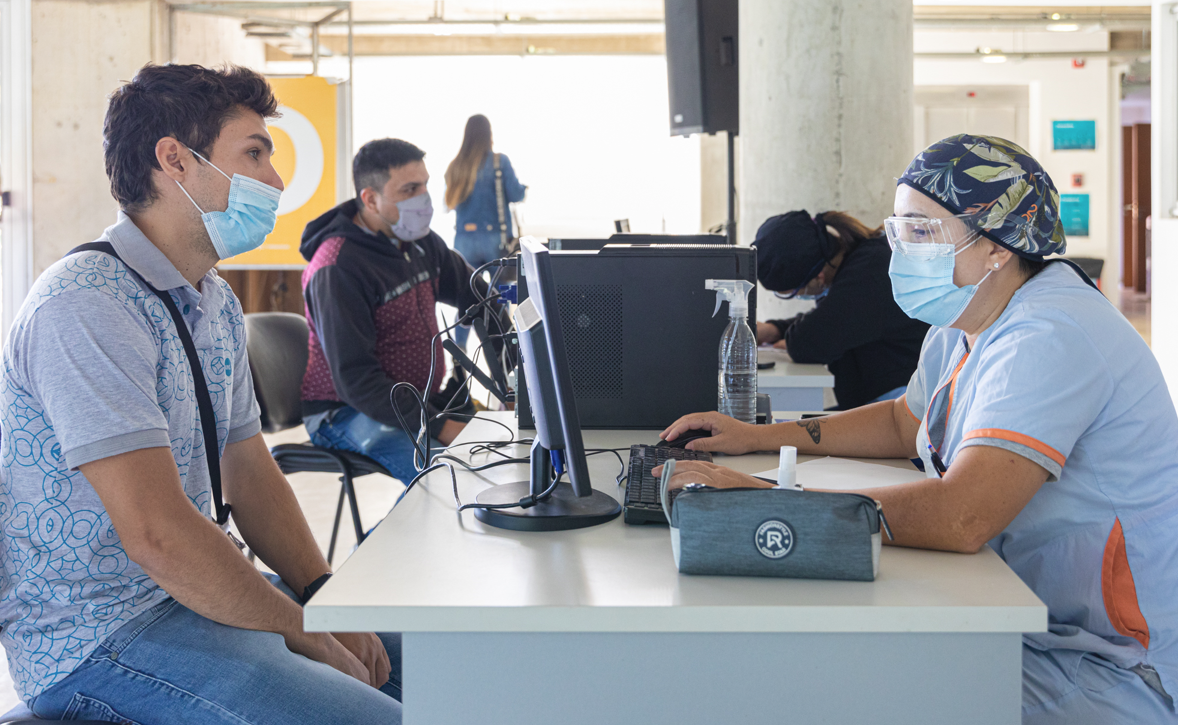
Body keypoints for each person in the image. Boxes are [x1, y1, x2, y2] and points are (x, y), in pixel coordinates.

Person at [660, 134, 1178, 724]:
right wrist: (760, 436)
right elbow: (906, 420)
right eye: (899, 228)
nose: (901, 250)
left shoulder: (1049, 333)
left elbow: (962, 516)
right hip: (1025, 613)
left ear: (997, 247)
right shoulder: (966, 314)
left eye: (923, 232)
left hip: (1115, 666)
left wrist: (772, 503)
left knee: (853, 684)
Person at [0, 64, 401, 722]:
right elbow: (157, 533)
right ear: (174, 161)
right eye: (254, 153)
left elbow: (248, 468)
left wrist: (324, 595)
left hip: (186, 596)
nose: (274, 180)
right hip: (98, 634)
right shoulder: (85, 304)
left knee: (428, 666)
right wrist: (302, 629)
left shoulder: (210, 299)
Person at [301, 138, 493, 481]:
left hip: (415, 405)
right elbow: (357, 381)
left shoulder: (418, 242)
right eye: (409, 189)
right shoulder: (338, 268)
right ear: (371, 199)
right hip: (346, 412)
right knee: (446, 479)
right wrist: (437, 425)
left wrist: (510, 384)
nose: (423, 198)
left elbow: (478, 298)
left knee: (493, 458)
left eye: (424, 185)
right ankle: (381, 539)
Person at [754, 210, 930, 409]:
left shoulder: (868, 274)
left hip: (906, 404)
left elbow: (807, 343)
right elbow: (831, 317)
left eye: (795, 292)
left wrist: (788, 336)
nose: (800, 296)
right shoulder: (863, 259)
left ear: (818, 277)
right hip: (882, 398)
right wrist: (775, 329)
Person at [443, 114, 526, 348]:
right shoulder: (499, 162)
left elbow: (449, 202)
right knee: (504, 293)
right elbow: (516, 194)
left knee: (464, 295)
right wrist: (523, 189)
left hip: (464, 239)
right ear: (489, 133)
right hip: (495, 239)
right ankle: (504, 347)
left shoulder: (456, 165)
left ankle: (459, 349)